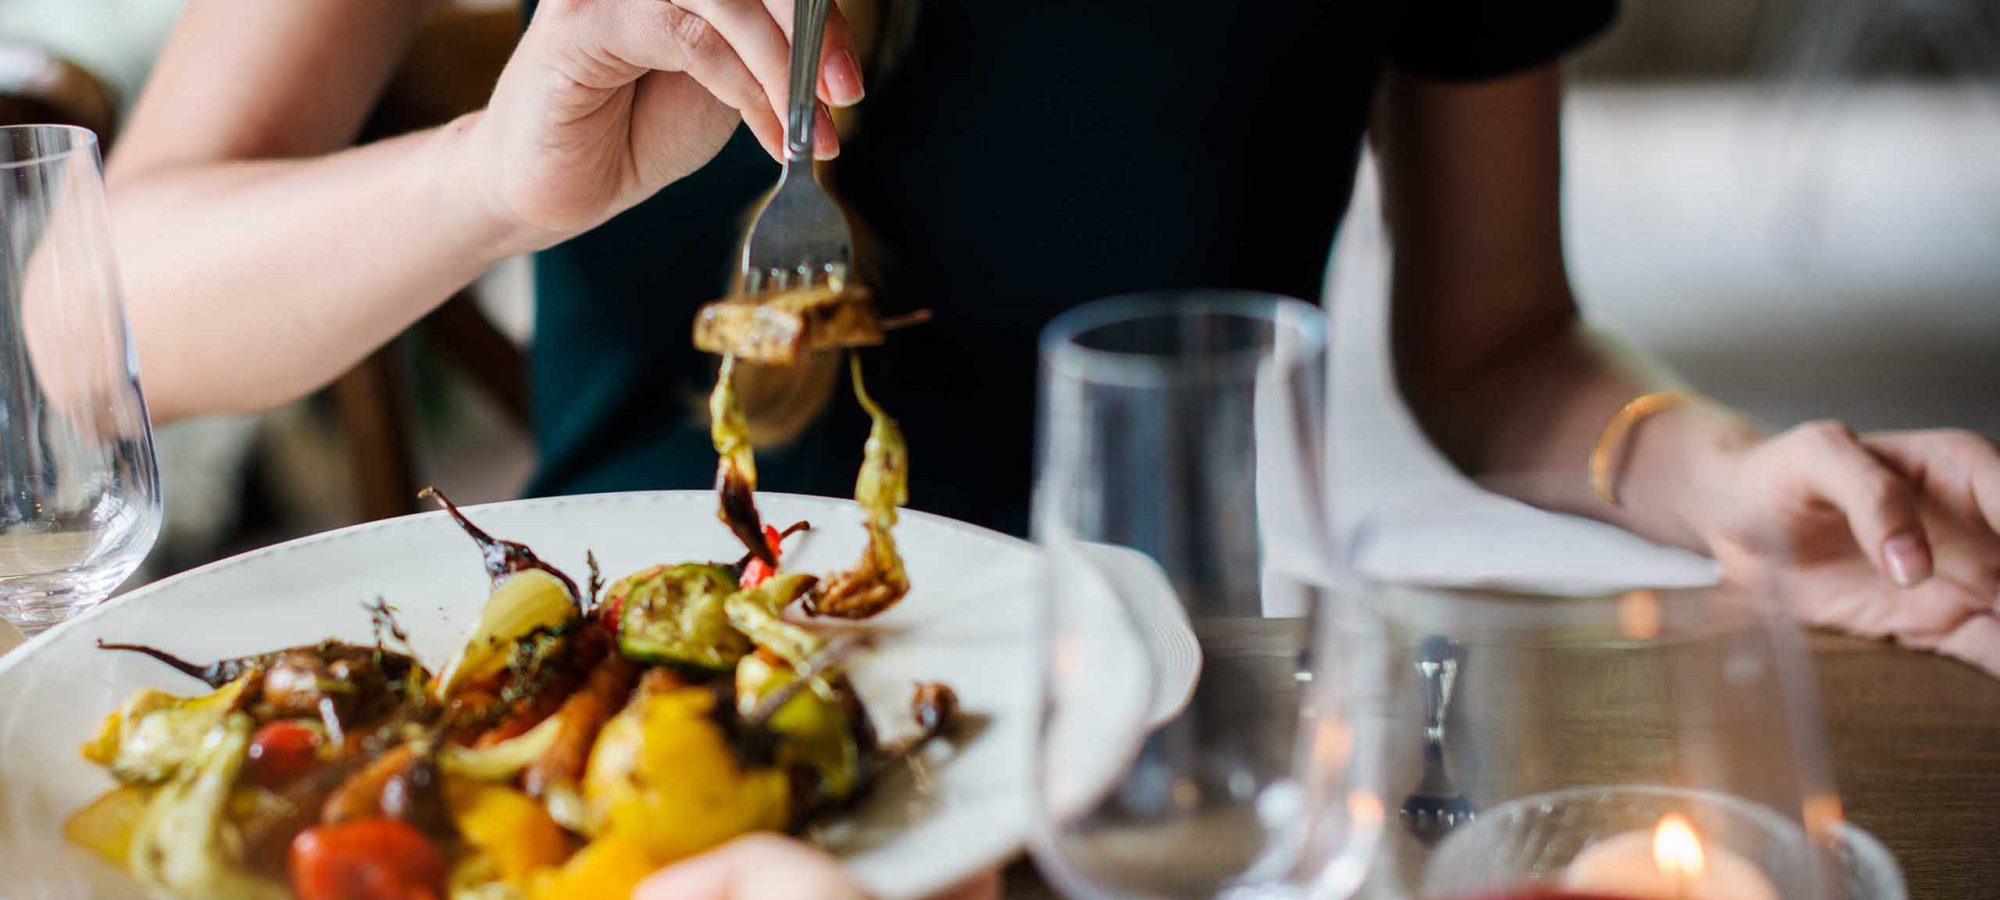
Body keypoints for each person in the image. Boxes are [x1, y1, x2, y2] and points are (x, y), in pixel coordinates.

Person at [101, 0, 2000, 891]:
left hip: (1158, 782)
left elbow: (1501, 348)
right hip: (613, 784)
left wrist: (1720, 473)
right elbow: (90, 326)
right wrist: (489, 183)